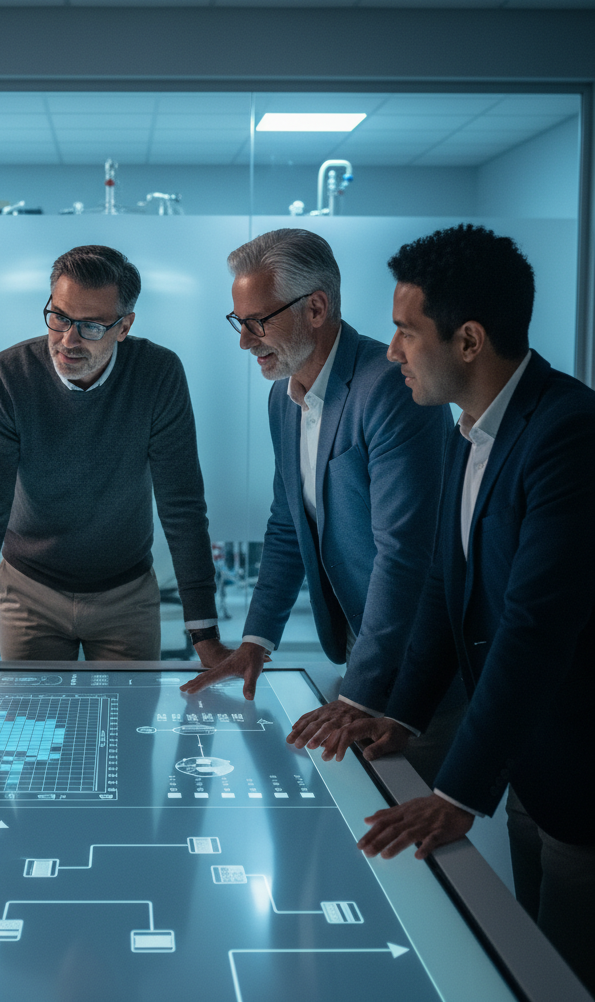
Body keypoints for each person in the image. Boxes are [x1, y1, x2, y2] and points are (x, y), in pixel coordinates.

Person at [325, 224, 595, 994]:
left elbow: (534, 629)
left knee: (563, 974)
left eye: (406, 332)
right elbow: (448, 596)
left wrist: (456, 793)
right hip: (532, 764)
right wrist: (404, 716)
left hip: (582, 770)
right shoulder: (465, 432)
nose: (391, 352)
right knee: (528, 951)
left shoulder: (569, 434)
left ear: (469, 340)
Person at [181, 228, 461, 787]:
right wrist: (257, 641)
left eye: (259, 321)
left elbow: (405, 553)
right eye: (239, 322)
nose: (245, 341)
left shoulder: (391, 387)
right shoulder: (283, 398)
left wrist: (359, 694)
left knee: (403, 816)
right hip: (365, 641)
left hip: (422, 656)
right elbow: (288, 525)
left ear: (315, 308)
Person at [0, 244, 225, 672]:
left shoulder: (158, 373)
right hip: (29, 591)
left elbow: (182, 506)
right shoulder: (9, 374)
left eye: (91, 326)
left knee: (130, 715)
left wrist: (206, 637)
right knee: (29, 717)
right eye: (59, 317)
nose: (68, 340)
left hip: (127, 593)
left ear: (124, 326)